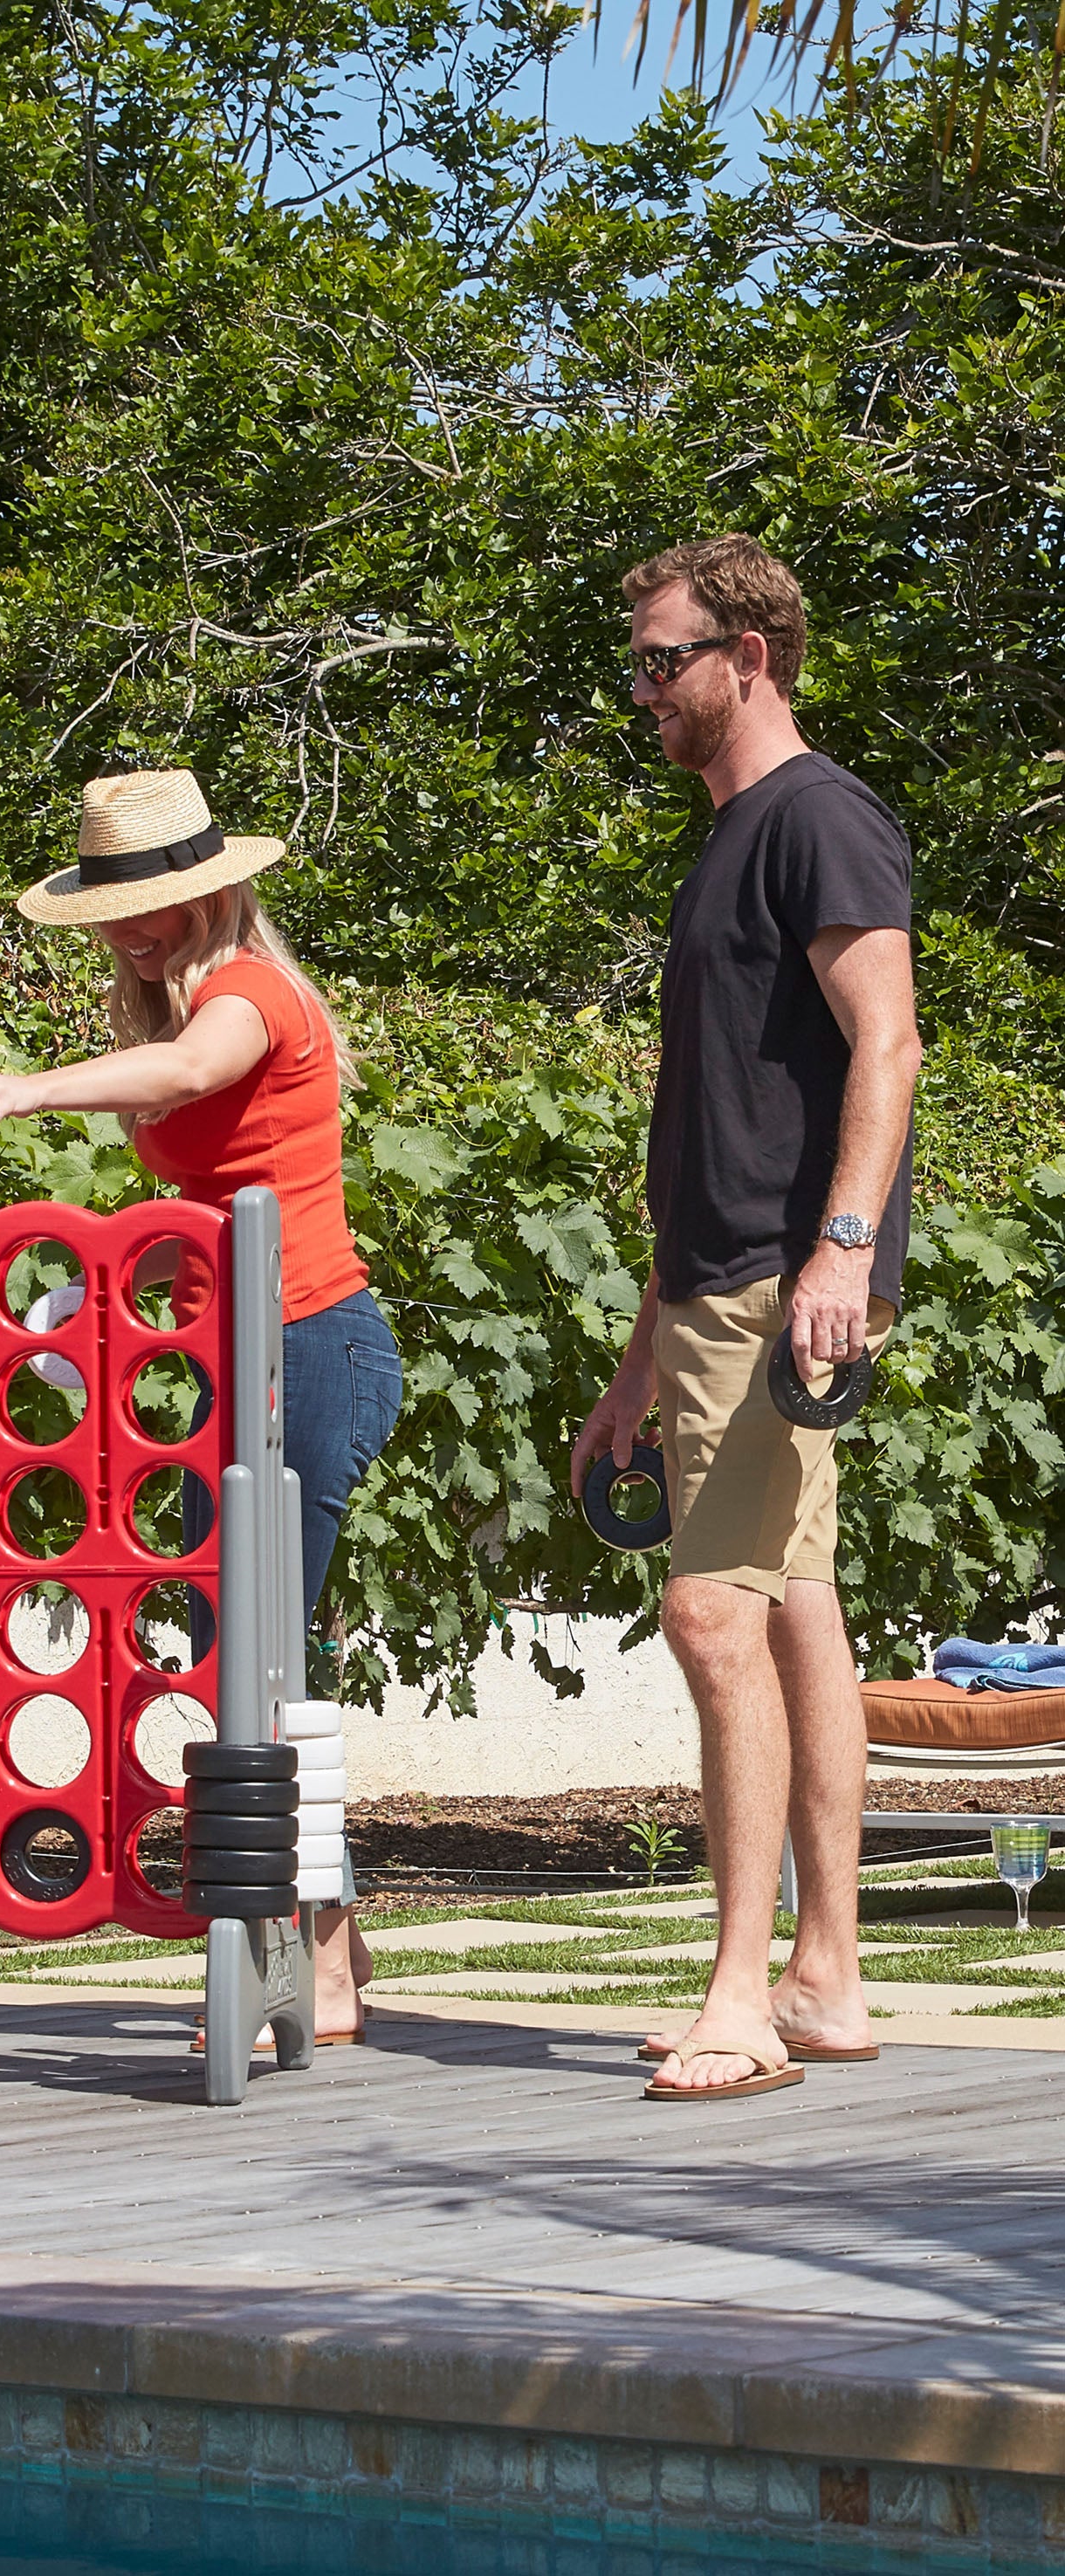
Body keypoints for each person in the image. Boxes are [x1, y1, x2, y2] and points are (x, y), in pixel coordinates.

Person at [0, 767, 403, 2041]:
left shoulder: (246, 994)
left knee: (250, 1666)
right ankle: (332, 1967)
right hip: (242, 1364)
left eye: (156, 902)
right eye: (115, 908)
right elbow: (201, 1205)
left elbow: (192, 1072)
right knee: (252, 1660)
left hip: (312, 1350)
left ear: (217, 891)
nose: (134, 926)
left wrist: (23, 1090)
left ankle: (266, 1963)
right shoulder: (182, 997)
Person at [572, 534, 922, 2103]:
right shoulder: (732, 839)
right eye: (638, 662)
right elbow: (711, 1131)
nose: (641, 688)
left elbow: (889, 1043)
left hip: (784, 1283)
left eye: (663, 660)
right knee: (789, 1609)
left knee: (710, 1613)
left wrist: (843, 1252)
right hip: (722, 1287)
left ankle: (740, 1998)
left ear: (749, 659)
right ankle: (825, 1978)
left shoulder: (818, 819)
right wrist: (640, 1366)